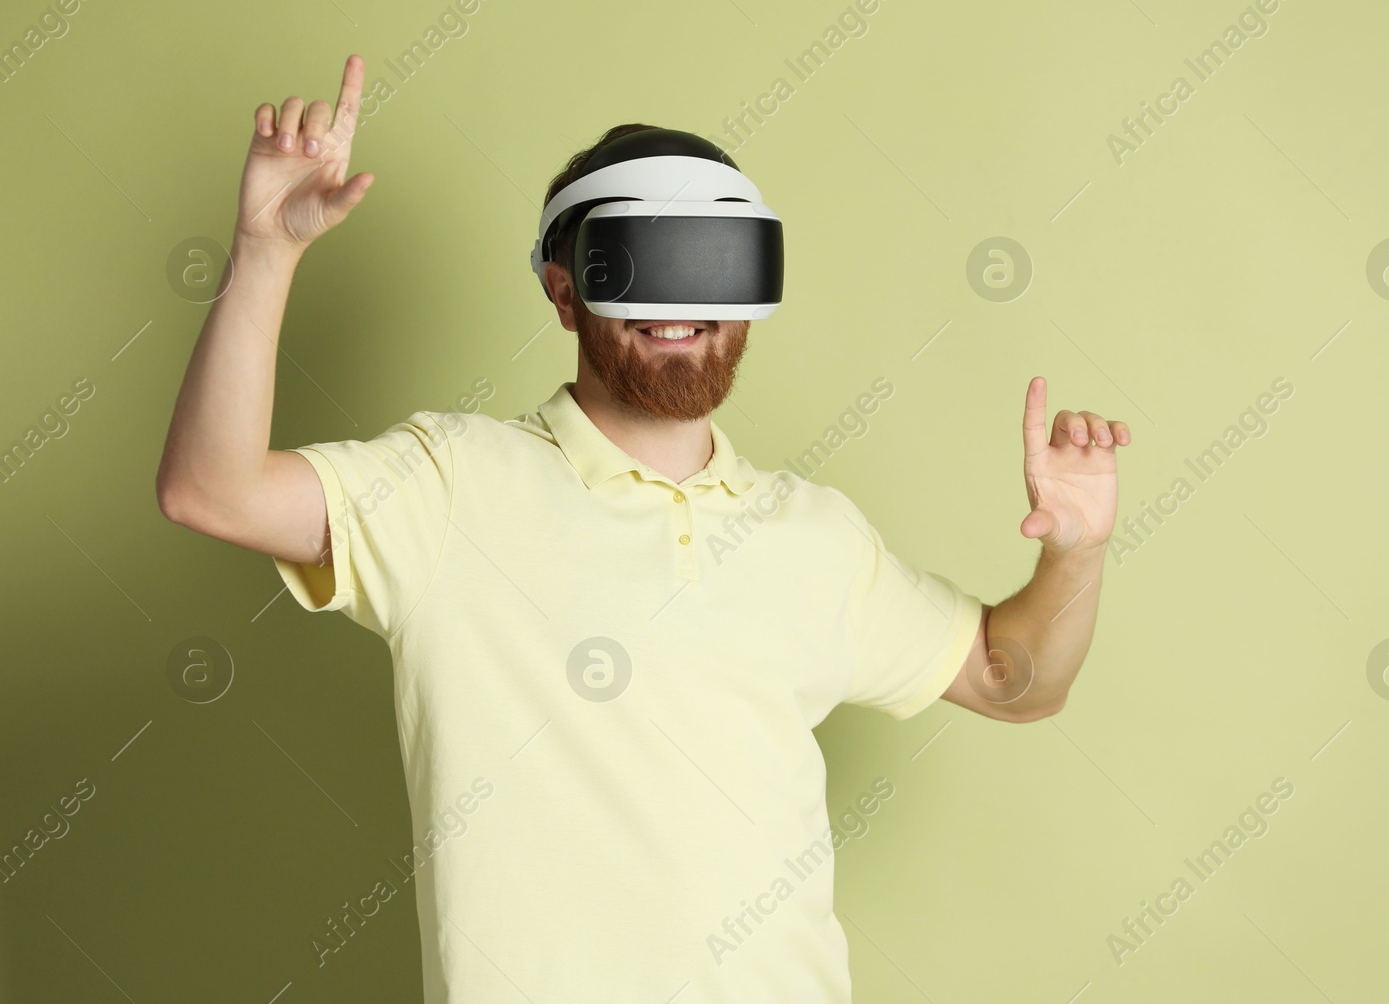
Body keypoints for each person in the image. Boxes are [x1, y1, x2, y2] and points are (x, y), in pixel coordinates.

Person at [156, 54, 1132, 1003]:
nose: (680, 306)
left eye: (713, 263)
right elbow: (213, 489)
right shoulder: (449, 485)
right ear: (562, 287)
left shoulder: (815, 534)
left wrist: (1076, 550)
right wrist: (265, 252)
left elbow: (1014, 679)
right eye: (639, 262)